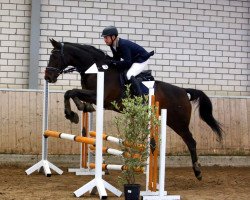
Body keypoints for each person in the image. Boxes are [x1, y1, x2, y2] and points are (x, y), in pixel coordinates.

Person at [101, 26, 154, 96]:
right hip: (133, 60)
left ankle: (140, 97)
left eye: (106, 37)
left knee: (129, 75)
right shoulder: (112, 45)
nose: (104, 40)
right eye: (104, 38)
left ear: (113, 37)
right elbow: (116, 59)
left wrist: (113, 62)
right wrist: (108, 62)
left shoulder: (123, 45)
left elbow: (127, 63)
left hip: (141, 59)